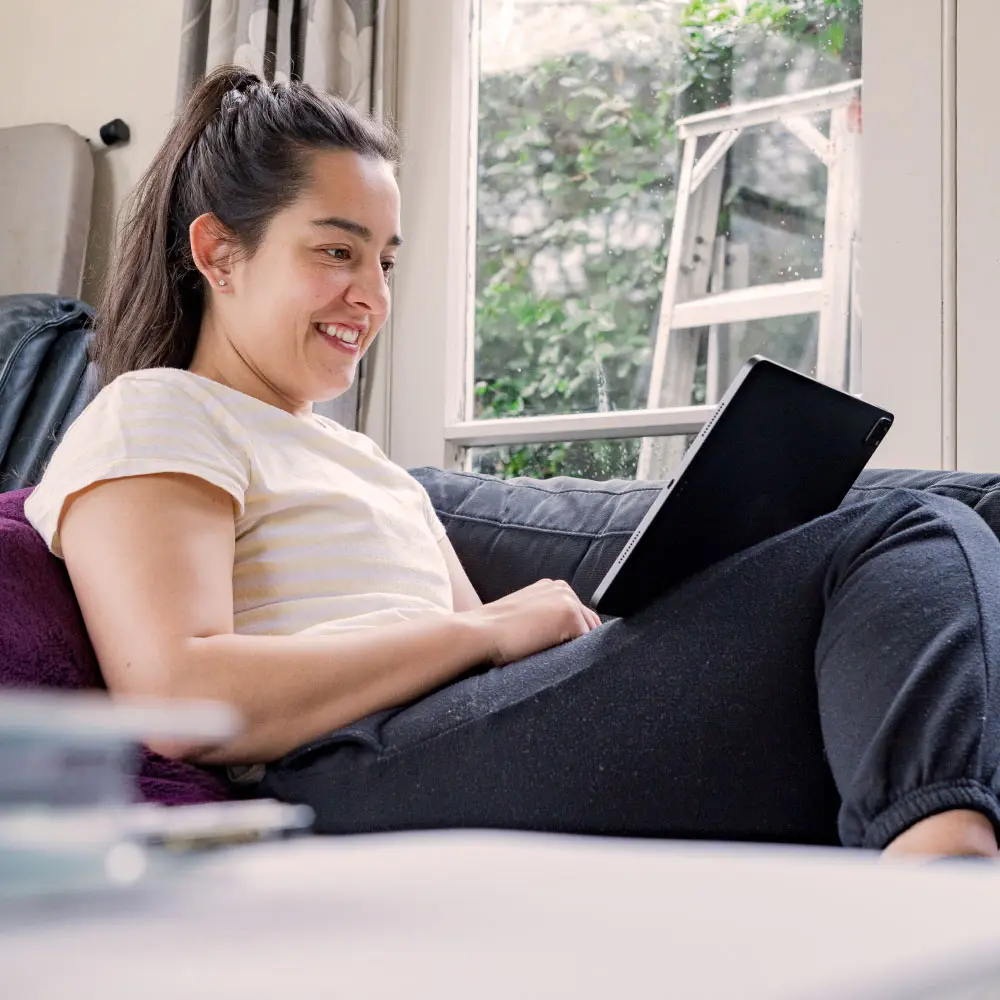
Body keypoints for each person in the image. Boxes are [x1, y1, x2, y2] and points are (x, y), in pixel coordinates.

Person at [24, 66, 1000, 858]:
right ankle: (939, 887)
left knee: (941, 536)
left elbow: (476, 649)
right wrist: (488, 632)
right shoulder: (158, 412)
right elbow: (180, 698)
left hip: (450, 729)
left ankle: (934, 854)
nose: (369, 295)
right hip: (339, 773)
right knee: (908, 532)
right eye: (336, 251)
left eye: (386, 262)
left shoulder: (354, 457)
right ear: (219, 253)